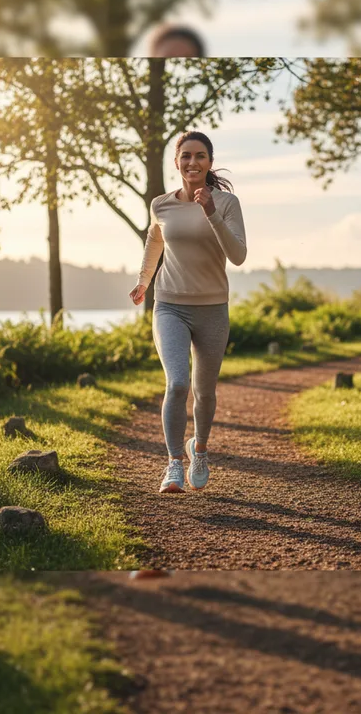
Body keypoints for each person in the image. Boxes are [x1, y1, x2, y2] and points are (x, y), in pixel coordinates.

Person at [129, 131, 247, 494]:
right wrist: (144, 281)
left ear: (209, 162)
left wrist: (211, 212)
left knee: (204, 391)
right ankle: (173, 465)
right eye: (186, 156)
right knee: (177, 383)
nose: (192, 162)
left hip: (212, 308)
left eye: (200, 156)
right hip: (169, 305)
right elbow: (154, 242)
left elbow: (238, 255)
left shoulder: (226, 203)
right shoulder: (161, 205)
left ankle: (200, 449)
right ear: (176, 162)